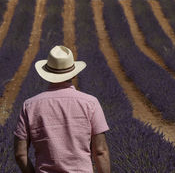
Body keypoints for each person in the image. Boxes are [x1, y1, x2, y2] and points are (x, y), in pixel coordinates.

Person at [13, 45, 111, 173]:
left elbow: (20, 154)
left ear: (47, 74)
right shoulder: (90, 103)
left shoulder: (30, 106)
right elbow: (100, 151)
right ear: (73, 74)